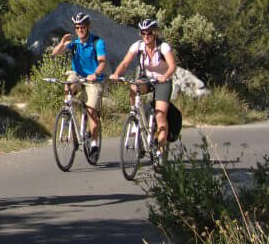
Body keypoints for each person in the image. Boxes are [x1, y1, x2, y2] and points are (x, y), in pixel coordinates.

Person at [110, 17, 178, 150]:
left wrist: (165, 77)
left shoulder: (163, 47)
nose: (146, 36)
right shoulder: (138, 46)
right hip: (146, 78)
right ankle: (134, 114)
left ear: (155, 33)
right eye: (143, 33)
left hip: (162, 81)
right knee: (134, 86)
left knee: (160, 114)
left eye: (149, 33)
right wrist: (117, 74)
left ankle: (161, 149)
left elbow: (172, 66)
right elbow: (125, 63)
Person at [50, 10, 107, 159]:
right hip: (78, 76)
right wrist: (62, 43)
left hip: (94, 80)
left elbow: (102, 62)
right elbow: (55, 53)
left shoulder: (97, 42)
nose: (79, 30)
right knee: (69, 82)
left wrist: (95, 74)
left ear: (88, 27)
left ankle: (94, 144)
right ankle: (67, 112)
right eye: (77, 28)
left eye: (82, 27)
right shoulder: (74, 44)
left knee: (91, 111)